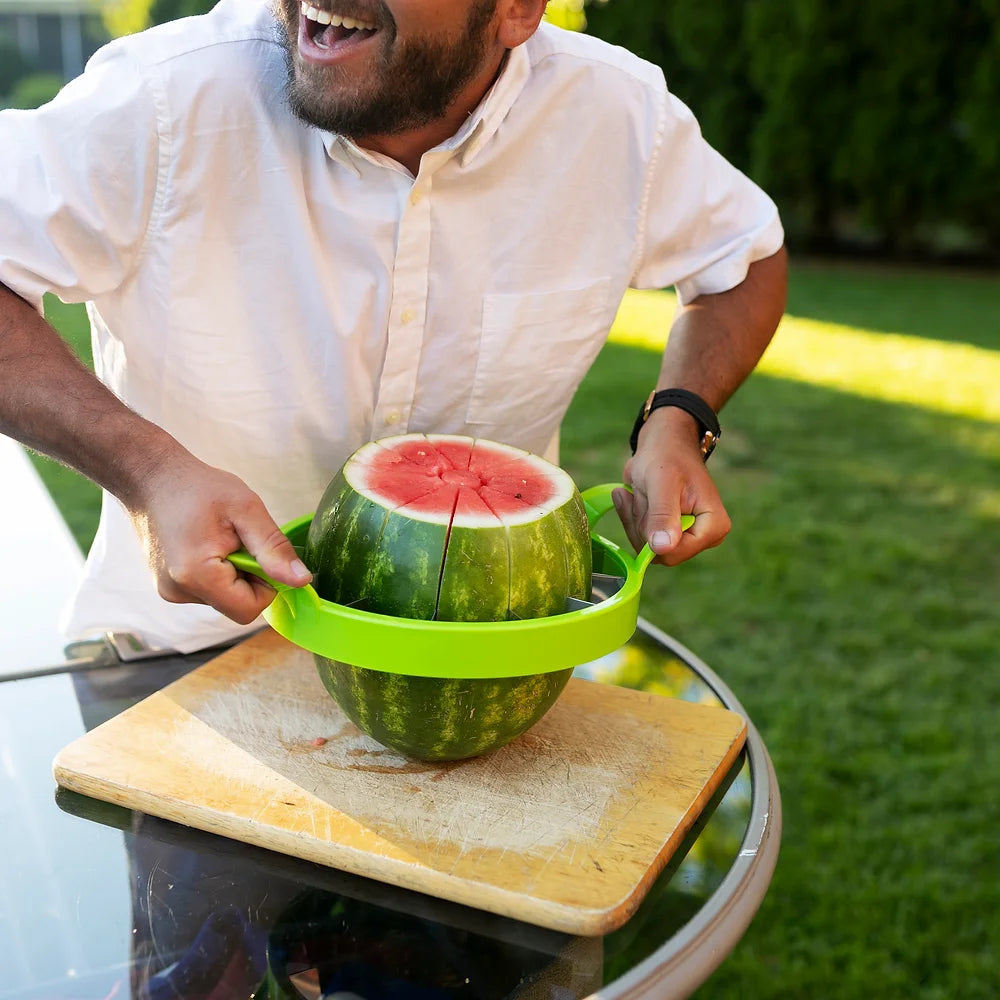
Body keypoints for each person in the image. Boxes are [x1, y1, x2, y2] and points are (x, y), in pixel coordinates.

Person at [0, 0, 787, 655]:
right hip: (186, 659)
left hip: (489, 656)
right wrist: (149, 473)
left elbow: (744, 260)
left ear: (516, 11)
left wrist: (679, 422)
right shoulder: (167, 101)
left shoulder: (619, 116)